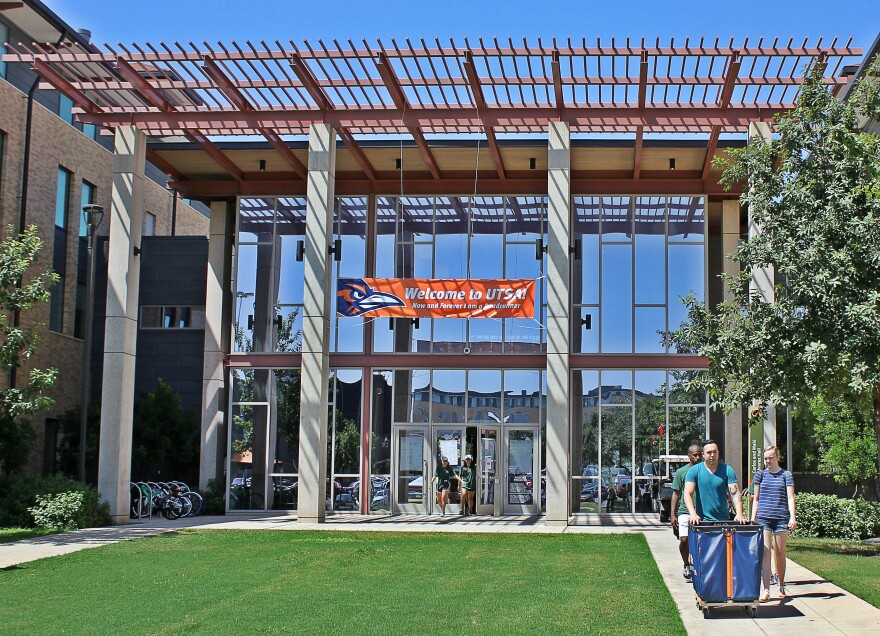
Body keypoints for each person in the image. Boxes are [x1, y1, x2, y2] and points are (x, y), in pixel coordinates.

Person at [751, 445, 796, 602]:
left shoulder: (786, 475)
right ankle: (766, 590)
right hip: (763, 518)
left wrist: (793, 517)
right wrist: (752, 520)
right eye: (765, 458)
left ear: (778, 457)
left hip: (781, 518)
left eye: (770, 458)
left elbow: (790, 498)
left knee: (780, 553)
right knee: (765, 553)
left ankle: (781, 585)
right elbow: (755, 499)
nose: (767, 461)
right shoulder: (760, 475)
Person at [683, 439, 745, 525]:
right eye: (709, 452)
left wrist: (739, 514)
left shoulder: (727, 470)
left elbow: (735, 493)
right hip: (702, 521)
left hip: (723, 520)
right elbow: (687, 493)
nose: (712, 455)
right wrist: (693, 514)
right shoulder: (694, 471)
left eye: (715, 452)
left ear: (718, 452)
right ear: (703, 454)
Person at [671, 444, 704, 581]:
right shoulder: (681, 472)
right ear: (689, 456)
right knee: (684, 539)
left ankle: (700, 566)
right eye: (695, 455)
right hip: (685, 511)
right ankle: (686, 564)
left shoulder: (705, 470)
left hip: (701, 511)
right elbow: (676, 493)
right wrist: (672, 514)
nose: (697, 457)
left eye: (699, 454)